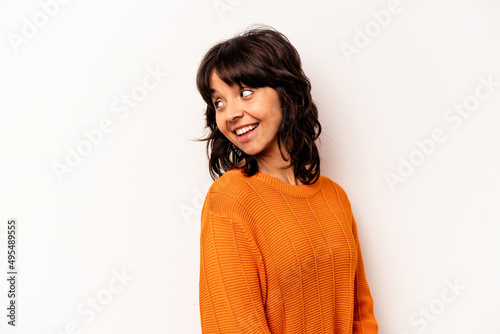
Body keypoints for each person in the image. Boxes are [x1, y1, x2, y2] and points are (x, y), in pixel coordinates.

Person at [194, 25, 379, 333]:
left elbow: (360, 312)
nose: (230, 113)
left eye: (245, 93)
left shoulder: (335, 197)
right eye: (219, 102)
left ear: (285, 93)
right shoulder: (229, 199)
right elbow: (233, 324)